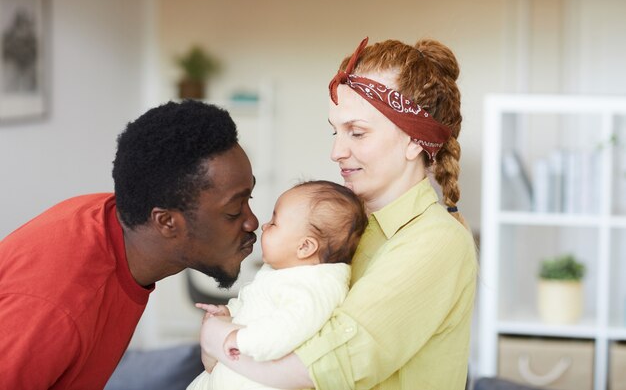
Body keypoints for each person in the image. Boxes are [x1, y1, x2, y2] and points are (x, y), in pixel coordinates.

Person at [197, 36, 478, 390]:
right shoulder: (340, 231)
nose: (336, 151)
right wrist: (225, 334)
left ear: (413, 141)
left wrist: (215, 338)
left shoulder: (437, 242)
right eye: (335, 131)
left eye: (357, 133)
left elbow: (314, 371)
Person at [0, 100, 259, 389]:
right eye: (234, 211)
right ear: (166, 222)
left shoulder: (116, 219)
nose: (253, 222)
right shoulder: (58, 308)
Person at [186, 180, 368, 390]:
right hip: (231, 372)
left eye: (274, 223)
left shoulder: (316, 286)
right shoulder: (284, 273)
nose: (264, 226)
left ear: (305, 247)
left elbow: (291, 325)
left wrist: (241, 339)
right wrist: (229, 311)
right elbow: (254, 302)